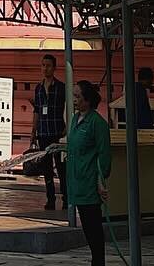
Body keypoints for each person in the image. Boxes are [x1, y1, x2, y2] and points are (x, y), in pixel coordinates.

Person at [67, 80, 112, 266]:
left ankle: (98, 262)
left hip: (89, 182)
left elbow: (104, 154)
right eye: (74, 96)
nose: (74, 100)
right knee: (86, 225)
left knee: (93, 226)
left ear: (88, 100)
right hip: (76, 180)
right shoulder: (75, 119)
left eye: (78, 96)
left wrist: (101, 181)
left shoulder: (97, 123)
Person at [31, 53, 67, 211]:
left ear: (54, 68)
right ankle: (50, 198)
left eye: (48, 65)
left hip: (58, 132)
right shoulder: (38, 88)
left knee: (61, 168)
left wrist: (67, 128)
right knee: (46, 169)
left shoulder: (61, 87)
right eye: (43, 65)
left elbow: (68, 108)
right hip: (43, 132)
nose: (45, 68)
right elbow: (37, 111)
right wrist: (33, 132)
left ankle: (66, 198)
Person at [133, 65, 154, 129]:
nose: (152, 82)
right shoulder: (140, 91)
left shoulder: (137, 88)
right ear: (148, 79)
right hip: (142, 127)